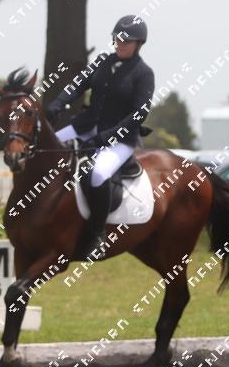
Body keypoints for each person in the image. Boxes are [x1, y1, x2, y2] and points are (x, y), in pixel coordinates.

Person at [46, 15, 155, 259]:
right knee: (47, 149)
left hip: (120, 139)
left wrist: (106, 137)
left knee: (97, 175)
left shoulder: (143, 73)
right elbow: (76, 86)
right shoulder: (102, 62)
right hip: (86, 127)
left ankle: (97, 234)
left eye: (127, 41)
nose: (121, 44)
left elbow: (139, 114)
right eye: (118, 39)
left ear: (139, 44)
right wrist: (57, 105)